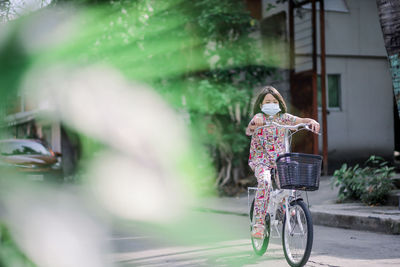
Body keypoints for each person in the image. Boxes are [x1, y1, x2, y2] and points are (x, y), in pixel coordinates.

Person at [246, 86, 320, 239]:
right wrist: (255, 122)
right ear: (261, 105)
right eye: (268, 101)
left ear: (279, 103)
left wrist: (311, 121)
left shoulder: (283, 117)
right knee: (265, 182)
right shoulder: (259, 117)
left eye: (274, 101)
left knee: (289, 181)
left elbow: (300, 120)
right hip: (261, 161)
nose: (271, 104)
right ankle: (259, 224)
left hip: (279, 160)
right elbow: (249, 129)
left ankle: (284, 205)